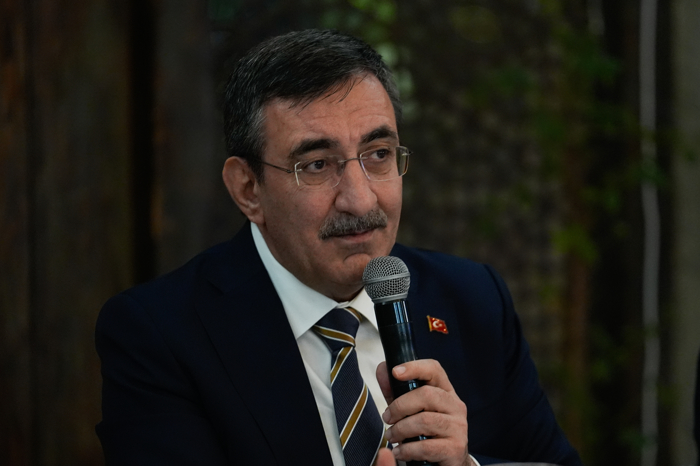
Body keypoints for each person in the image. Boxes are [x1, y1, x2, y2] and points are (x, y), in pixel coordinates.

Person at [95, 29, 582, 466]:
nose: (361, 199)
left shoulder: (472, 299)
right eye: (317, 165)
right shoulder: (160, 334)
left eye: (378, 155)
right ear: (248, 189)